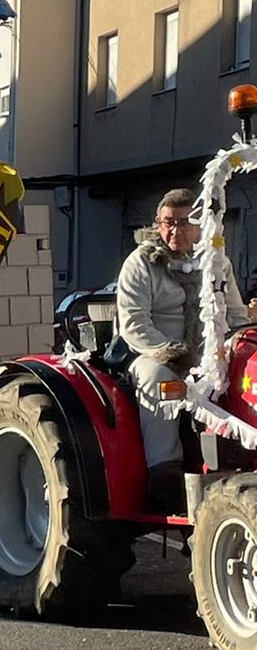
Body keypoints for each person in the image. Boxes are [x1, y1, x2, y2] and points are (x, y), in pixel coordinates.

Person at [117, 187, 251, 509]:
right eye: (168, 223)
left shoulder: (216, 262)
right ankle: (165, 474)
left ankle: (238, 456)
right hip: (154, 353)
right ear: (157, 224)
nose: (175, 230)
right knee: (162, 383)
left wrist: (237, 347)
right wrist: (173, 353)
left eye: (184, 222)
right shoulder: (140, 263)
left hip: (208, 356)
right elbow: (133, 323)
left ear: (199, 225)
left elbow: (234, 314)